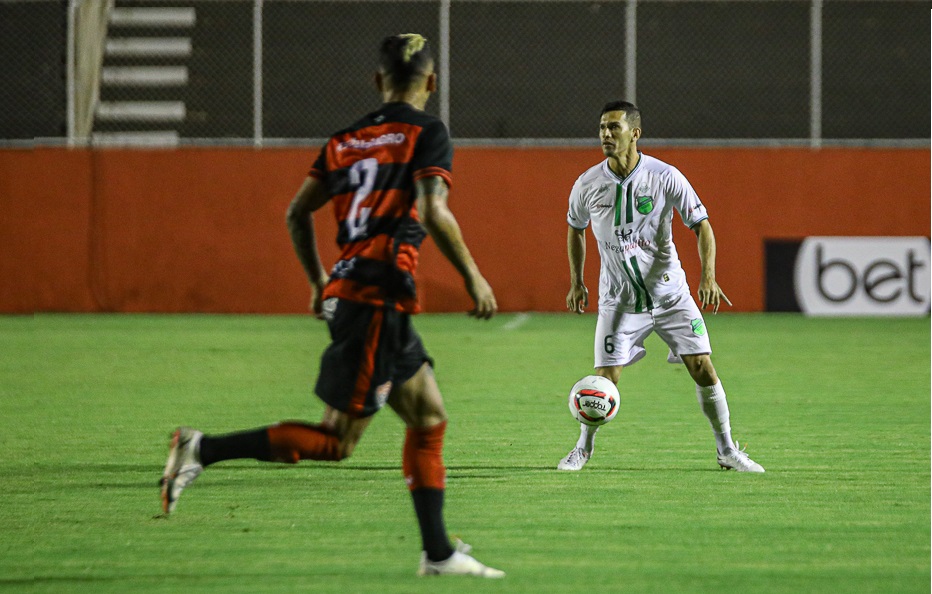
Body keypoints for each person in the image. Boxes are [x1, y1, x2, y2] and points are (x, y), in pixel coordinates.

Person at [160, 33, 505, 578]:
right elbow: (433, 210)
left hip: (354, 291)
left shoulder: (344, 140)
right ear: (431, 82)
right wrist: (475, 278)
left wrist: (321, 279)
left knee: (429, 417)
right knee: (337, 442)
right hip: (379, 295)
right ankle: (200, 449)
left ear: (377, 80)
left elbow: (298, 214)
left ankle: (438, 554)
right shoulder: (427, 131)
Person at [557, 100, 764, 474]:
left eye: (614, 128)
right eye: (602, 128)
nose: (605, 134)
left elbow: (701, 224)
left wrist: (709, 276)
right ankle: (581, 450)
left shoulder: (665, 176)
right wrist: (576, 281)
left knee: (702, 367)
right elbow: (576, 228)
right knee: (604, 379)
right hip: (618, 303)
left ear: (634, 133)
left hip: (670, 296)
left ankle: (727, 450)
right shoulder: (587, 183)